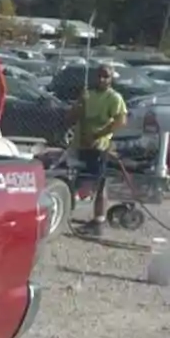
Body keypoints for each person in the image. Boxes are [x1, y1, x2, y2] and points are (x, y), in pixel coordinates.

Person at [65, 65, 127, 234]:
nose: (101, 79)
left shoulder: (114, 98)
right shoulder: (87, 95)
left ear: (111, 78)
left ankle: (98, 221)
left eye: (105, 76)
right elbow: (70, 118)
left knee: (98, 183)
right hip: (79, 145)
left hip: (98, 147)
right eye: (99, 76)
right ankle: (65, 212)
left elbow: (120, 121)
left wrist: (98, 135)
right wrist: (79, 103)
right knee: (72, 179)